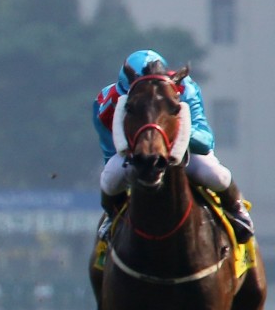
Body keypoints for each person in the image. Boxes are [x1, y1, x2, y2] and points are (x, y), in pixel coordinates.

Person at [95, 49, 254, 242]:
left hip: (184, 152)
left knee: (217, 176)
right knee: (110, 179)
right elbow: (109, 151)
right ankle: (112, 216)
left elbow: (205, 141)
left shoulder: (186, 88)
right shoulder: (105, 101)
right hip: (135, 154)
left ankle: (237, 211)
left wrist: (175, 133)